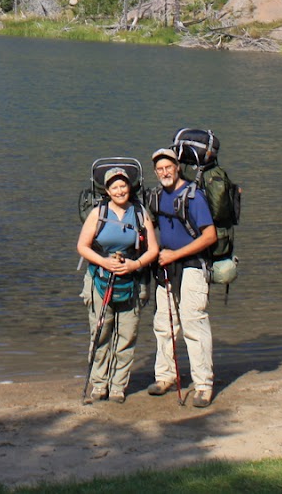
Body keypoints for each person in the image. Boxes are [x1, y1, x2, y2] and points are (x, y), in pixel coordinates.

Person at [76, 164, 159, 404]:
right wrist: (103, 261)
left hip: (132, 280)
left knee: (127, 335)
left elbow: (153, 249)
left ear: (130, 188)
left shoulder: (140, 212)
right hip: (99, 280)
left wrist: (135, 265)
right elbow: (82, 246)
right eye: (115, 186)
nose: (120, 190)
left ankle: (118, 386)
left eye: (123, 185)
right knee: (100, 333)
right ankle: (99, 384)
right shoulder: (98, 213)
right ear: (107, 190)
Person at [147, 146, 217, 407]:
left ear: (177, 167)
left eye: (169, 167)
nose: (165, 172)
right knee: (164, 324)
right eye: (160, 169)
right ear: (156, 172)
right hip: (166, 266)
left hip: (193, 266)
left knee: (193, 323)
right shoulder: (156, 196)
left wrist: (174, 255)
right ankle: (165, 377)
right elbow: (153, 227)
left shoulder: (194, 196)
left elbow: (210, 236)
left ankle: (203, 386)